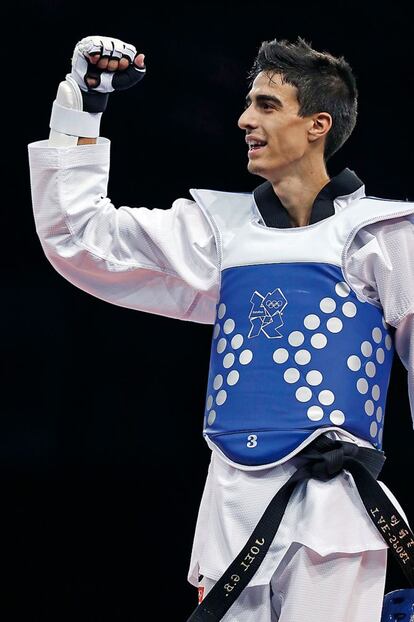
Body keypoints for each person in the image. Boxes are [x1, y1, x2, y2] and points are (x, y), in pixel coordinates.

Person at [27, 34, 414, 622]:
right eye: (248, 104)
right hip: (232, 512)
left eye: (266, 105)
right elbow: (82, 236)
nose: (243, 120)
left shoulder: (382, 233)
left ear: (317, 124)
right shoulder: (219, 232)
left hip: (337, 514)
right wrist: (85, 103)